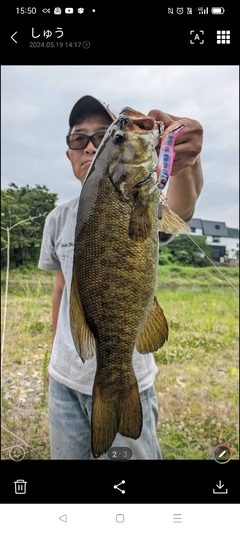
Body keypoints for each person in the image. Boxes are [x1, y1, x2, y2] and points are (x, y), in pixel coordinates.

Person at [38, 95, 204, 460]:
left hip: (132, 374)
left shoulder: (144, 200)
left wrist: (186, 165)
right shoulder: (56, 219)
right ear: (70, 154)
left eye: (103, 136)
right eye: (78, 138)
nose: (89, 145)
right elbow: (62, 288)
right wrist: (53, 357)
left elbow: (183, 206)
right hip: (65, 378)